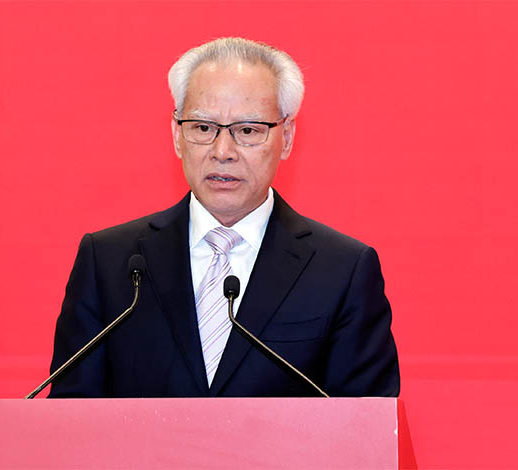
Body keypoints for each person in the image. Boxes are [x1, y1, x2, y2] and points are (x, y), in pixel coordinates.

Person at [48, 37, 399, 398]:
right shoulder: (109, 262)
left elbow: (367, 424)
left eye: (247, 130)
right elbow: (70, 416)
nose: (222, 151)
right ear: (177, 135)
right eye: (203, 128)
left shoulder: (342, 271)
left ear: (287, 137)